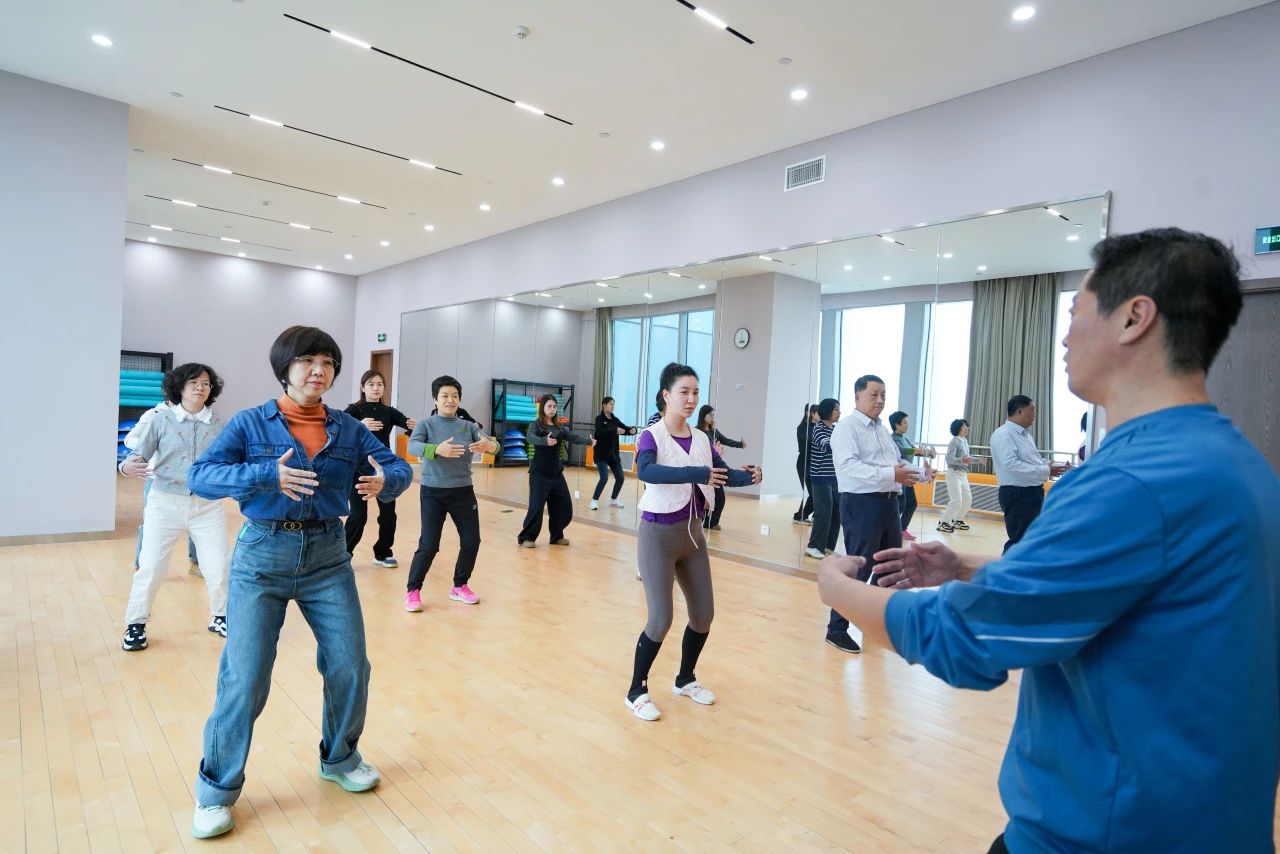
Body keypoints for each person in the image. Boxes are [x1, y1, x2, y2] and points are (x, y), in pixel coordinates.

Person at [816, 227, 1279, 852]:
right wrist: (967, 567)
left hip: (1103, 833)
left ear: (1134, 318)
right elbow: (1109, 596)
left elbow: (965, 639)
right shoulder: (1239, 465)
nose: (1064, 337)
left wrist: (837, 588)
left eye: (1075, 312)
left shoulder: (1129, 482)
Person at [185, 326, 412, 840]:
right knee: (246, 676)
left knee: (350, 664)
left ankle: (340, 757)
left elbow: (398, 466)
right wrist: (265, 475)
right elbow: (202, 476)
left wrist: (387, 480)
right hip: (263, 555)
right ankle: (216, 790)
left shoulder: (348, 428)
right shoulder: (250, 423)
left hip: (328, 557)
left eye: (328, 362)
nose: (319, 370)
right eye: (308, 360)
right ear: (284, 368)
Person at [625, 363, 760, 721]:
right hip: (658, 536)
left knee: (703, 615)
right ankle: (636, 690)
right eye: (684, 391)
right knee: (661, 619)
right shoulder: (651, 435)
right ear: (666, 395)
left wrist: (749, 477)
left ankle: (685, 679)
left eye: (696, 392)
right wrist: (696, 473)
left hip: (694, 535)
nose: (691, 398)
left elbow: (720, 473)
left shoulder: (701, 438)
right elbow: (647, 471)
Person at [119, 363, 229, 651]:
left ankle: (221, 616)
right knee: (151, 566)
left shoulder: (218, 424)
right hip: (165, 503)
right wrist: (125, 467)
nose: (200, 387)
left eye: (205, 383)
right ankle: (136, 624)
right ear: (179, 387)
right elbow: (137, 456)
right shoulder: (161, 419)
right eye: (193, 382)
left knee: (218, 566)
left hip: (207, 505)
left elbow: (230, 461)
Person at [823, 375, 921, 654]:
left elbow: (895, 462)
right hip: (861, 504)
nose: (879, 401)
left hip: (889, 503)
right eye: (874, 395)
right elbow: (848, 466)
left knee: (890, 566)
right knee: (859, 566)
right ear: (857, 396)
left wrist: (917, 472)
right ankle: (836, 629)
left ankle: (874, 620)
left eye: (883, 395)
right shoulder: (847, 428)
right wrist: (892, 474)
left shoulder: (881, 430)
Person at [404, 375, 497, 610]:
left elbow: (494, 446)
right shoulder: (426, 424)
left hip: (463, 492)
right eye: (445, 395)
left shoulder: (468, 426)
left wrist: (489, 446)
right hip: (433, 492)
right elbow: (412, 446)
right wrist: (437, 449)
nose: (450, 400)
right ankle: (413, 590)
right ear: (435, 400)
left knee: (472, 541)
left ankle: (460, 585)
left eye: (455, 396)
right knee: (429, 544)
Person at [344, 369, 416, 567]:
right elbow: (337, 429)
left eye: (379, 384)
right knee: (358, 515)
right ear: (362, 387)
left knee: (388, 515)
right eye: (371, 384)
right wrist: (359, 425)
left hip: (385, 470)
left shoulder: (389, 411)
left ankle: (383, 553)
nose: (375, 388)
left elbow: (411, 428)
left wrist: (413, 427)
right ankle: (343, 555)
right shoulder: (354, 410)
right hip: (358, 469)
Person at [121, 402, 199, 575]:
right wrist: (156, 443)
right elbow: (129, 439)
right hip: (158, 479)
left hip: (190, 478)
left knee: (196, 519)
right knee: (150, 522)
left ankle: (196, 561)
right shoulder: (154, 414)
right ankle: (141, 564)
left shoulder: (195, 416)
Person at [989, 395, 1070, 552]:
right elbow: (1011, 465)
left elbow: (1034, 459)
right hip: (1017, 493)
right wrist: (1047, 470)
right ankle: (1008, 566)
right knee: (1019, 540)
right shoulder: (1003, 434)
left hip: (1033, 491)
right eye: (1032, 410)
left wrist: (1052, 465)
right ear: (1019, 411)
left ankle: (1021, 566)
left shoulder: (1025, 435)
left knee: (1031, 539)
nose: (1034, 414)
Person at [517, 394, 594, 547]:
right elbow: (530, 437)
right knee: (536, 507)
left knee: (563, 505)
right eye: (549, 406)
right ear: (543, 408)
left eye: (554, 407)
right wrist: (543, 441)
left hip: (556, 473)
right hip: (539, 473)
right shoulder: (535, 425)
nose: (552, 409)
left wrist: (589, 442)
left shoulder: (559, 427)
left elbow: (573, 437)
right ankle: (527, 537)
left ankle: (557, 536)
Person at [695, 405, 746, 531]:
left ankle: (712, 523)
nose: (712, 417)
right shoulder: (697, 432)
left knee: (720, 498)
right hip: (703, 468)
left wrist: (740, 444)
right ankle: (703, 521)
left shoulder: (714, 431)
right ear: (703, 416)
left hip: (716, 466)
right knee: (704, 497)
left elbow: (726, 441)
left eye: (713, 414)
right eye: (710, 415)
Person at [888, 411, 934, 541]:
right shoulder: (892, 439)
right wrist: (918, 450)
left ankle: (902, 529)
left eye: (907, 423)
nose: (907, 425)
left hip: (908, 476)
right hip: (900, 476)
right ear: (896, 424)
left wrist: (928, 453)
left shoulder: (905, 439)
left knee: (912, 503)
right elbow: (902, 451)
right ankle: (892, 528)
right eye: (904, 423)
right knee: (901, 504)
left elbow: (914, 450)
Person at [803, 398, 841, 559]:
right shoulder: (818, 429)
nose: (839, 412)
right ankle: (813, 546)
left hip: (834, 477)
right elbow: (828, 446)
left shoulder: (836, 429)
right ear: (828, 411)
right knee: (823, 512)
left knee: (836, 513)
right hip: (820, 477)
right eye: (836, 409)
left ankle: (827, 546)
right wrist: (844, 445)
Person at [591, 395, 636, 511]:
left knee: (620, 478)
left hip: (613, 456)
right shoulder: (599, 419)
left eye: (613, 405)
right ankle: (594, 501)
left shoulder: (615, 420)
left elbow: (624, 429)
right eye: (610, 404)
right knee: (604, 478)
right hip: (601, 455)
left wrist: (632, 430)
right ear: (604, 405)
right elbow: (600, 432)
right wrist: (615, 430)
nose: (612, 406)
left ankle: (613, 500)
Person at [937, 418, 973, 533]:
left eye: (966, 426)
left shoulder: (964, 441)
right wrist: (961, 460)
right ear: (958, 428)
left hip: (963, 474)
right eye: (963, 427)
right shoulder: (954, 441)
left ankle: (957, 520)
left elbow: (966, 459)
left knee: (968, 499)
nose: (966, 428)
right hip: (954, 473)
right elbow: (949, 459)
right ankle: (943, 523)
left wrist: (978, 460)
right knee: (956, 500)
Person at [793, 404, 819, 524]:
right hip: (804, 463)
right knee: (813, 493)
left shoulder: (819, 427)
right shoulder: (802, 428)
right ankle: (800, 516)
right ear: (811, 414)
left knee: (816, 492)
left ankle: (801, 515)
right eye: (818, 413)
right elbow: (807, 445)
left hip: (815, 463)